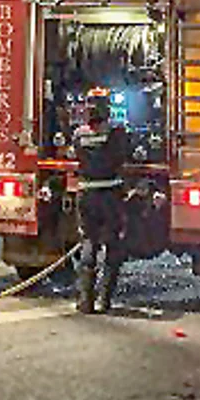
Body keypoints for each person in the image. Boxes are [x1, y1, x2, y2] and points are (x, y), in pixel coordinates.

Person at [72, 90, 131, 314]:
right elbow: (123, 155)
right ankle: (105, 300)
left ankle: (85, 301)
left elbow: (76, 155)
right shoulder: (116, 131)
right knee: (112, 245)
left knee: (89, 242)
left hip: (86, 194)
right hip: (109, 195)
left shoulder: (78, 134)